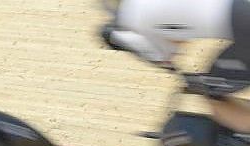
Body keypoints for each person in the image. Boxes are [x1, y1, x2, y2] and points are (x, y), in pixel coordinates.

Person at [101, 0, 250, 132]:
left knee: (213, 94)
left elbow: (168, 58)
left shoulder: (129, 17)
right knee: (219, 81)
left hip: (244, 29)